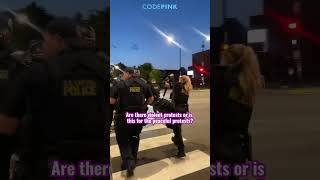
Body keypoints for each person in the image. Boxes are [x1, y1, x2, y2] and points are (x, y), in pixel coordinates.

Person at [0, 18, 108, 179]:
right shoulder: (103, 70)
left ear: (58, 40)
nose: (43, 47)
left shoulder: (36, 73)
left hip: (47, 166)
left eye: (45, 41)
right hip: (94, 167)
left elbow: (6, 127)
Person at [211, 44, 263, 180]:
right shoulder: (248, 85)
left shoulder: (220, 78)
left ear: (228, 58)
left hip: (218, 152)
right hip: (235, 151)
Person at [110, 67, 154, 177]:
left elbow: (111, 100)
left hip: (124, 117)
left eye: (123, 73)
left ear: (127, 73)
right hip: (138, 116)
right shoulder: (143, 84)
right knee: (135, 136)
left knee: (123, 140)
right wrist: (143, 106)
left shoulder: (121, 84)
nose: (122, 75)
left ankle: (129, 162)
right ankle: (133, 159)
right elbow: (151, 98)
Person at [168, 75, 193, 158]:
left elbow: (173, 87)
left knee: (176, 130)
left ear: (181, 80)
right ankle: (176, 139)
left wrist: (171, 78)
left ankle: (181, 150)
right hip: (184, 110)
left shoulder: (178, 86)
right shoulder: (187, 87)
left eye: (179, 79)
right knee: (177, 127)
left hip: (176, 110)